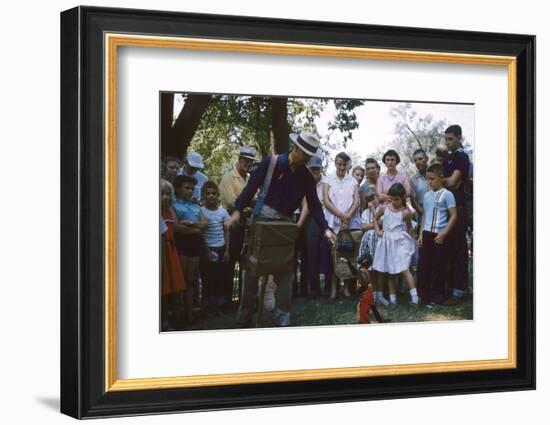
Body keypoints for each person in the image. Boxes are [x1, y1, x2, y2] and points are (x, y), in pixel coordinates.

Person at [225, 130, 336, 327]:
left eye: (311, 155)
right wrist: (237, 211)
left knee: (285, 272)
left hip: (285, 226)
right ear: (296, 148)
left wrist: (326, 229)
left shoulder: (306, 177)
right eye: (306, 154)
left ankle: (282, 316)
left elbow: (315, 207)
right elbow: (251, 187)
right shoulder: (271, 162)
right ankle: (244, 315)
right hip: (261, 221)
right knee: (251, 271)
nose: (308, 159)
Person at [218, 146, 257, 310]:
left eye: (251, 161)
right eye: (246, 160)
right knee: (230, 261)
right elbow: (233, 202)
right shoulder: (228, 178)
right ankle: (226, 302)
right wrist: (248, 201)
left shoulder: (250, 179)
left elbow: (254, 200)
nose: (248, 164)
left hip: (248, 222)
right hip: (233, 221)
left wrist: (246, 201)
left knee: (245, 263)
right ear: (239, 160)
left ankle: (243, 301)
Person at [372, 183, 419, 307]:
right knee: (389, 270)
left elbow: (409, 227)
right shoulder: (384, 208)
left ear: (402, 198)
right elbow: (375, 219)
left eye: (397, 199)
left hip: (399, 242)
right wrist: (377, 231)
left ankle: (415, 297)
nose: (394, 201)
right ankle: (392, 300)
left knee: (405, 269)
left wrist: (409, 241)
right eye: (391, 198)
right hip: (386, 241)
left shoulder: (405, 213)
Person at [417, 163, 457, 306]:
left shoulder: (447, 194)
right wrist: (421, 234)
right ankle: (423, 294)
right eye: (428, 179)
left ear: (440, 177)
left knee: (439, 266)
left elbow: (453, 216)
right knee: (424, 265)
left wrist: (444, 234)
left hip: (440, 235)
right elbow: (424, 215)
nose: (430, 182)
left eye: (432, 179)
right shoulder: (427, 195)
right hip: (426, 234)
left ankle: (437, 295)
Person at [323, 152, 361, 300]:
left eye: (344, 165)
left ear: (348, 165)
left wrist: (347, 217)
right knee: (333, 256)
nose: (342, 167)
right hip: (332, 223)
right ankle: (333, 289)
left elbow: (356, 202)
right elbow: (326, 201)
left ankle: (346, 289)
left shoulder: (352, 181)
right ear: (335, 163)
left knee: (346, 255)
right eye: (339, 164)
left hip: (348, 224)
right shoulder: (328, 179)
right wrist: (341, 215)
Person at [441, 125, 471, 306]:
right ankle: (452, 288)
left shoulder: (462, 156)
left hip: (459, 208)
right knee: (449, 249)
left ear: (459, 138)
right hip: (447, 207)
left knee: (459, 249)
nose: (447, 142)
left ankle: (460, 291)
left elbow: (452, 182)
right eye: (445, 139)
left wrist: (443, 181)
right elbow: (448, 182)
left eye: (450, 139)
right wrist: (446, 182)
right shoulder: (448, 159)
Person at [172, 175, 208, 324]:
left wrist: (188, 223)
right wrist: (195, 228)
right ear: (179, 189)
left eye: (192, 188)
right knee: (179, 281)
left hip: (195, 245)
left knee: (191, 280)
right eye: (187, 188)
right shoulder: (173, 205)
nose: (190, 191)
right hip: (181, 244)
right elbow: (175, 227)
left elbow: (205, 223)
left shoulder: (196, 206)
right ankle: (177, 315)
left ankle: (189, 314)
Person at [294, 155, 330, 298]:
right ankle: (301, 288)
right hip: (301, 217)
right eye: (312, 169)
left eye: (317, 169)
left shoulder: (326, 184)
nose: (314, 172)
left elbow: (311, 205)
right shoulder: (302, 182)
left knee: (313, 253)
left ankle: (314, 288)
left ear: (321, 169)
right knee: (301, 254)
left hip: (317, 220)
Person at [199, 181, 231, 317]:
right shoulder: (201, 211)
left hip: (221, 248)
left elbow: (227, 231)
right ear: (203, 195)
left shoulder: (223, 211)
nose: (211, 196)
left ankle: (219, 305)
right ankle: (207, 306)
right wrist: (206, 251)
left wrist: (227, 250)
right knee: (207, 278)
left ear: (217, 195)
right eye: (208, 194)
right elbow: (201, 233)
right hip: (207, 249)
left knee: (220, 278)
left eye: (213, 193)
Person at [160, 180, 187, 330]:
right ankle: (163, 320)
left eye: (168, 194)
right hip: (161, 252)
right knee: (162, 289)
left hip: (171, 250)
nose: (165, 197)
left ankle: (176, 319)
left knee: (175, 287)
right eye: (161, 194)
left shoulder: (170, 211)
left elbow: (175, 228)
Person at [357, 187, 388, 305]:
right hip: (369, 243)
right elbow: (363, 227)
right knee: (371, 268)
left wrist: (374, 214)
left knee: (380, 268)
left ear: (377, 198)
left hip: (380, 241)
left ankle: (380, 294)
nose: (371, 202)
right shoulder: (365, 212)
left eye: (373, 198)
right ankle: (373, 294)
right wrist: (373, 224)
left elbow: (381, 223)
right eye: (368, 200)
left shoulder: (382, 209)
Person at [409, 148, 430, 224]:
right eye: (415, 160)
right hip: (422, 216)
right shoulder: (413, 180)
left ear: (426, 159)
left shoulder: (435, 173)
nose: (417, 162)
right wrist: (424, 213)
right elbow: (414, 202)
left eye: (420, 159)